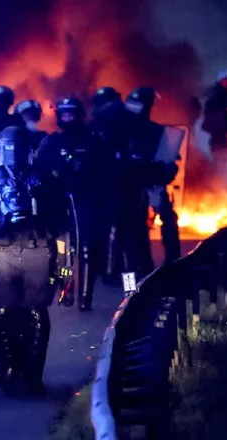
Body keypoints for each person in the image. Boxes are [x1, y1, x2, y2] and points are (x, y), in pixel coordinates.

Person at [0, 126, 68, 394]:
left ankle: (11, 367)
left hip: (9, 251)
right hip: (29, 250)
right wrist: (64, 257)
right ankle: (30, 372)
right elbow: (62, 223)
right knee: (31, 310)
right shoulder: (45, 177)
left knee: (5, 309)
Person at [35, 96, 115, 311]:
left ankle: (86, 296)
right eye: (64, 114)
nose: (68, 118)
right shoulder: (52, 142)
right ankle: (66, 289)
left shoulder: (93, 142)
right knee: (63, 249)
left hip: (88, 201)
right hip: (60, 202)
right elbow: (39, 170)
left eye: (72, 114)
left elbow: (107, 171)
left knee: (88, 248)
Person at [123, 88, 182, 267]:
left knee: (168, 219)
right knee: (134, 231)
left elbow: (170, 162)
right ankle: (135, 276)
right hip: (131, 187)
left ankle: (173, 262)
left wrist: (161, 177)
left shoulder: (157, 131)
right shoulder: (123, 132)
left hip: (153, 183)